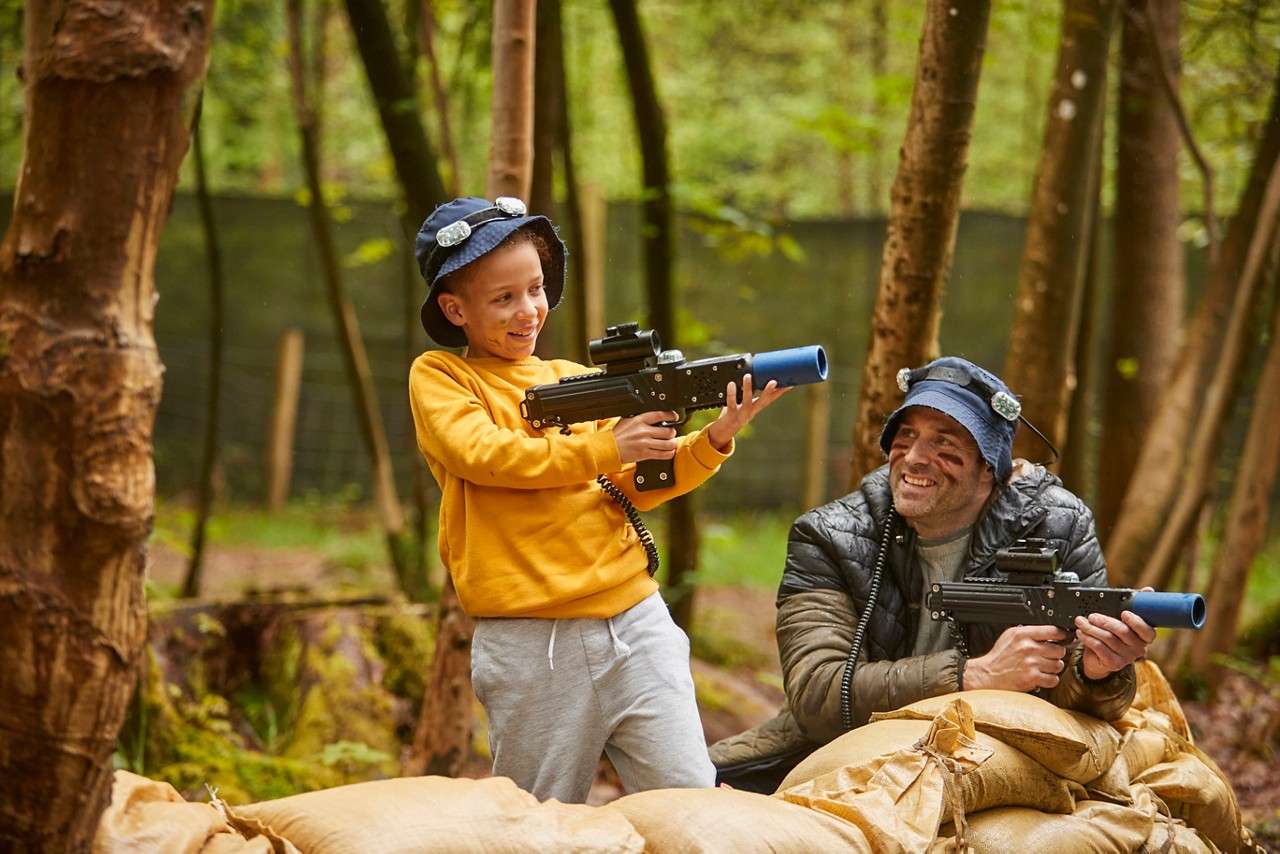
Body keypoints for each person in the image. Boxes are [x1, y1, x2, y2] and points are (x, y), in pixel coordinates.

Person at [407, 196, 787, 803]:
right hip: (532, 643)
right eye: (503, 298)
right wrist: (610, 447)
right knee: (536, 820)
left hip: (636, 621)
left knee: (690, 803)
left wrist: (714, 439)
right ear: (456, 310)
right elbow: (485, 455)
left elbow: (628, 485)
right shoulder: (444, 378)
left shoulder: (568, 377)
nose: (528, 310)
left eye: (535, 289)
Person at [710, 356, 1156, 793]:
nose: (915, 459)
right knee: (691, 790)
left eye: (945, 444)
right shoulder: (830, 535)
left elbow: (1087, 704)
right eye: (905, 438)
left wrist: (1097, 672)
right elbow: (818, 694)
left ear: (990, 467)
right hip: (837, 748)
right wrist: (971, 676)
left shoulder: (1057, 525)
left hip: (997, 751)